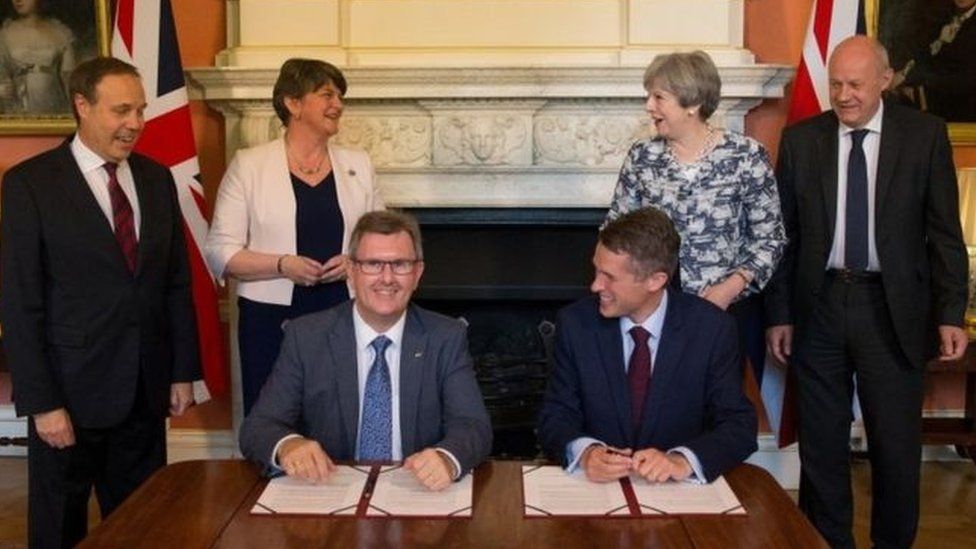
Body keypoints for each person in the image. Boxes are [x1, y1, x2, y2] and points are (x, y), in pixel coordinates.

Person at [765, 36, 968, 548]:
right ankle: (829, 542)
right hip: (821, 307)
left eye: (855, 84)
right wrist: (780, 314)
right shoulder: (802, 141)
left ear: (886, 79)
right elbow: (782, 239)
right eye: (835, 83)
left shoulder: (924, 136)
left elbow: (945, 233)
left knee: (895, 447)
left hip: (893, 310)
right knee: (821, 447)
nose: (844, 94)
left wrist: (950, 313)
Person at [0, 57, 200, 548]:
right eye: (122, 110)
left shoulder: (156, 179)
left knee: (143, 523)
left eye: (141, 110)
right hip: (69, 395)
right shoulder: (30, 184)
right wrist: (43, 403)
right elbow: (20, 302)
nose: (135, 123)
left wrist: (181, 371)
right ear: (82, 106)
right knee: (59, 528)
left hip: (144, 390)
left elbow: (175, 282)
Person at [239, 211, 492, 490]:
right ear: (350, 270)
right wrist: (289, 446)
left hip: (415, 492)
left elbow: (473, 425)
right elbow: (258, 426)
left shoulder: (446, 336)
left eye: (400, 264)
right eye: (373, 264)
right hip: (331, 491)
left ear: (418, 273)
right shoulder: (307, 337)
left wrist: (446, 458)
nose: (387, 278)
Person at [205, 58, 384, 415]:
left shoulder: (358, 164)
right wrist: (283, 264)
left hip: (344, 309)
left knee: (343, 412)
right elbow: (219, 251)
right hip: (270, 318)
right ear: (293, 103)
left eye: (340, 96)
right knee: (274, 414)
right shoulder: (250, 165)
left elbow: (382, 238)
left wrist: (355, 260)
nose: (338, 105)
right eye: (326, 95)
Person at [537, 207, 757, 484]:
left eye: (610, 277)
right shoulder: (576, 324)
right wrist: (586, 453)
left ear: (656, 280)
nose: (595, 286)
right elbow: (555, 416)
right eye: (596, 271)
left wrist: (681, 460)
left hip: (678, 496)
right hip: (597, 493)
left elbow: (739, 426)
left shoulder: (711, 329)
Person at [606, 51, 785, 384]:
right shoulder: (642, 157)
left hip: (726, 313)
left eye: (659, 97)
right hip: (654, 312)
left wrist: (728, 290)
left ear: (691, 103)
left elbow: (770, 239)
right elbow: (616, 233)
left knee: (719, 411)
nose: (649, 105)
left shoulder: (746, 156)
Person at [0, 0, 76, 114]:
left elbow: (69, 80)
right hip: (19, 105)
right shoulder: (5, 34)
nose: (17, 0)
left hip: (53, 102)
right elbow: (2, 76)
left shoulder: (60, 33)